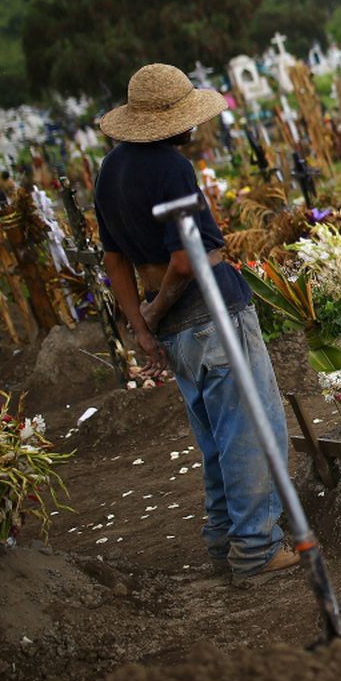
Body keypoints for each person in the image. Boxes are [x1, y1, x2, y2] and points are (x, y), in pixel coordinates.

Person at [95, 63, 299, 587]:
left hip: (174, 329)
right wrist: (157, 308)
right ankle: (256, 547)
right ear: (172, 121)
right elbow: (188, 261)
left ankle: (222, 540)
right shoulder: (171, 169)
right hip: (212, 315)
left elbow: (114, 260)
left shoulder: (110, 171)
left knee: (215, 437)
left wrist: (143, 324)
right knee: (251, 430)